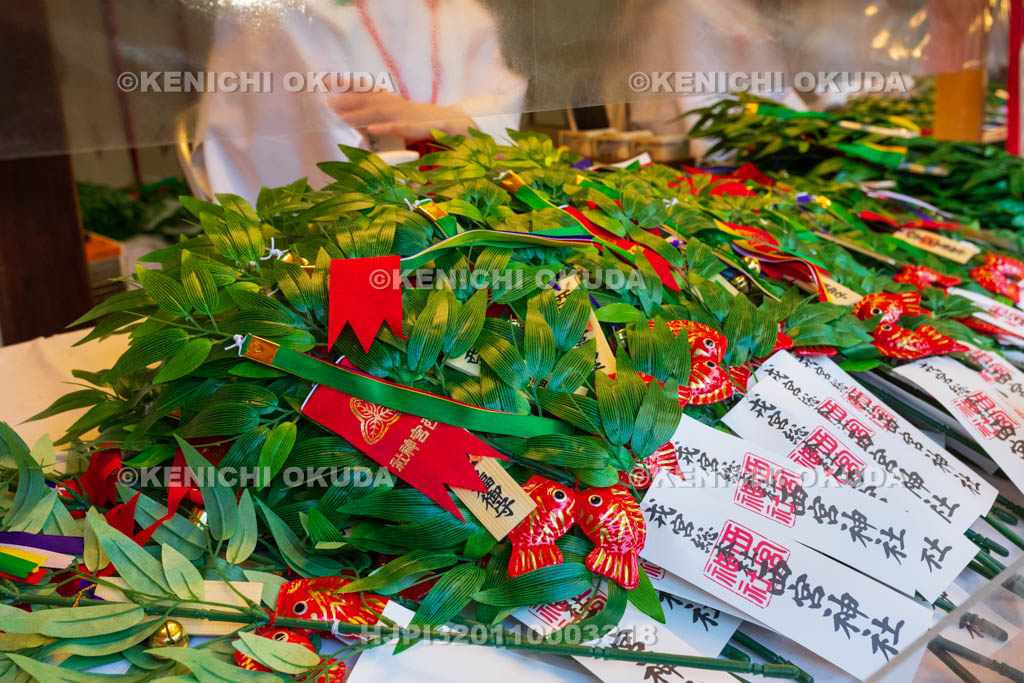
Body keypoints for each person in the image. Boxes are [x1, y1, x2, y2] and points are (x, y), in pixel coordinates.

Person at [196, 0, 526, 202]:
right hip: (342, 228)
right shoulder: (284, 14)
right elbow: (268, 135)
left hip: (457, 210)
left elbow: (503, 104)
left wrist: (444, 120)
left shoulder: (465, 14)